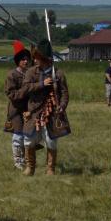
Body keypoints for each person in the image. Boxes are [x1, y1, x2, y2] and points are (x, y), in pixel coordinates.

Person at [22, 39, 69, 176]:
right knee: (29, 140)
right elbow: (25, 88)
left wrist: (62, 106)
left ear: (43, 58)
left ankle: (50, 169)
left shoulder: (58, 74)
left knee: (51, 141)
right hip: (34, 112)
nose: (34, 60)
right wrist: (42, 84)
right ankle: (30, 168)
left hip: (52, 113)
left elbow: (64, 93)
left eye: (37, 58)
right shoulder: (31, 72)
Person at [4, 41, 32, 170]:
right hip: (16, 110)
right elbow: (11, 94)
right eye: (23, 59)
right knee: (18, 136)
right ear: (18, 61)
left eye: (27, 59)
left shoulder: (30, 73)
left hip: (29, 109)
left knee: (29, 135)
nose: (26, 61)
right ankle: (18, 161)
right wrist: (26, 90)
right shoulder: (12, 75)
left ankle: (27, 160)